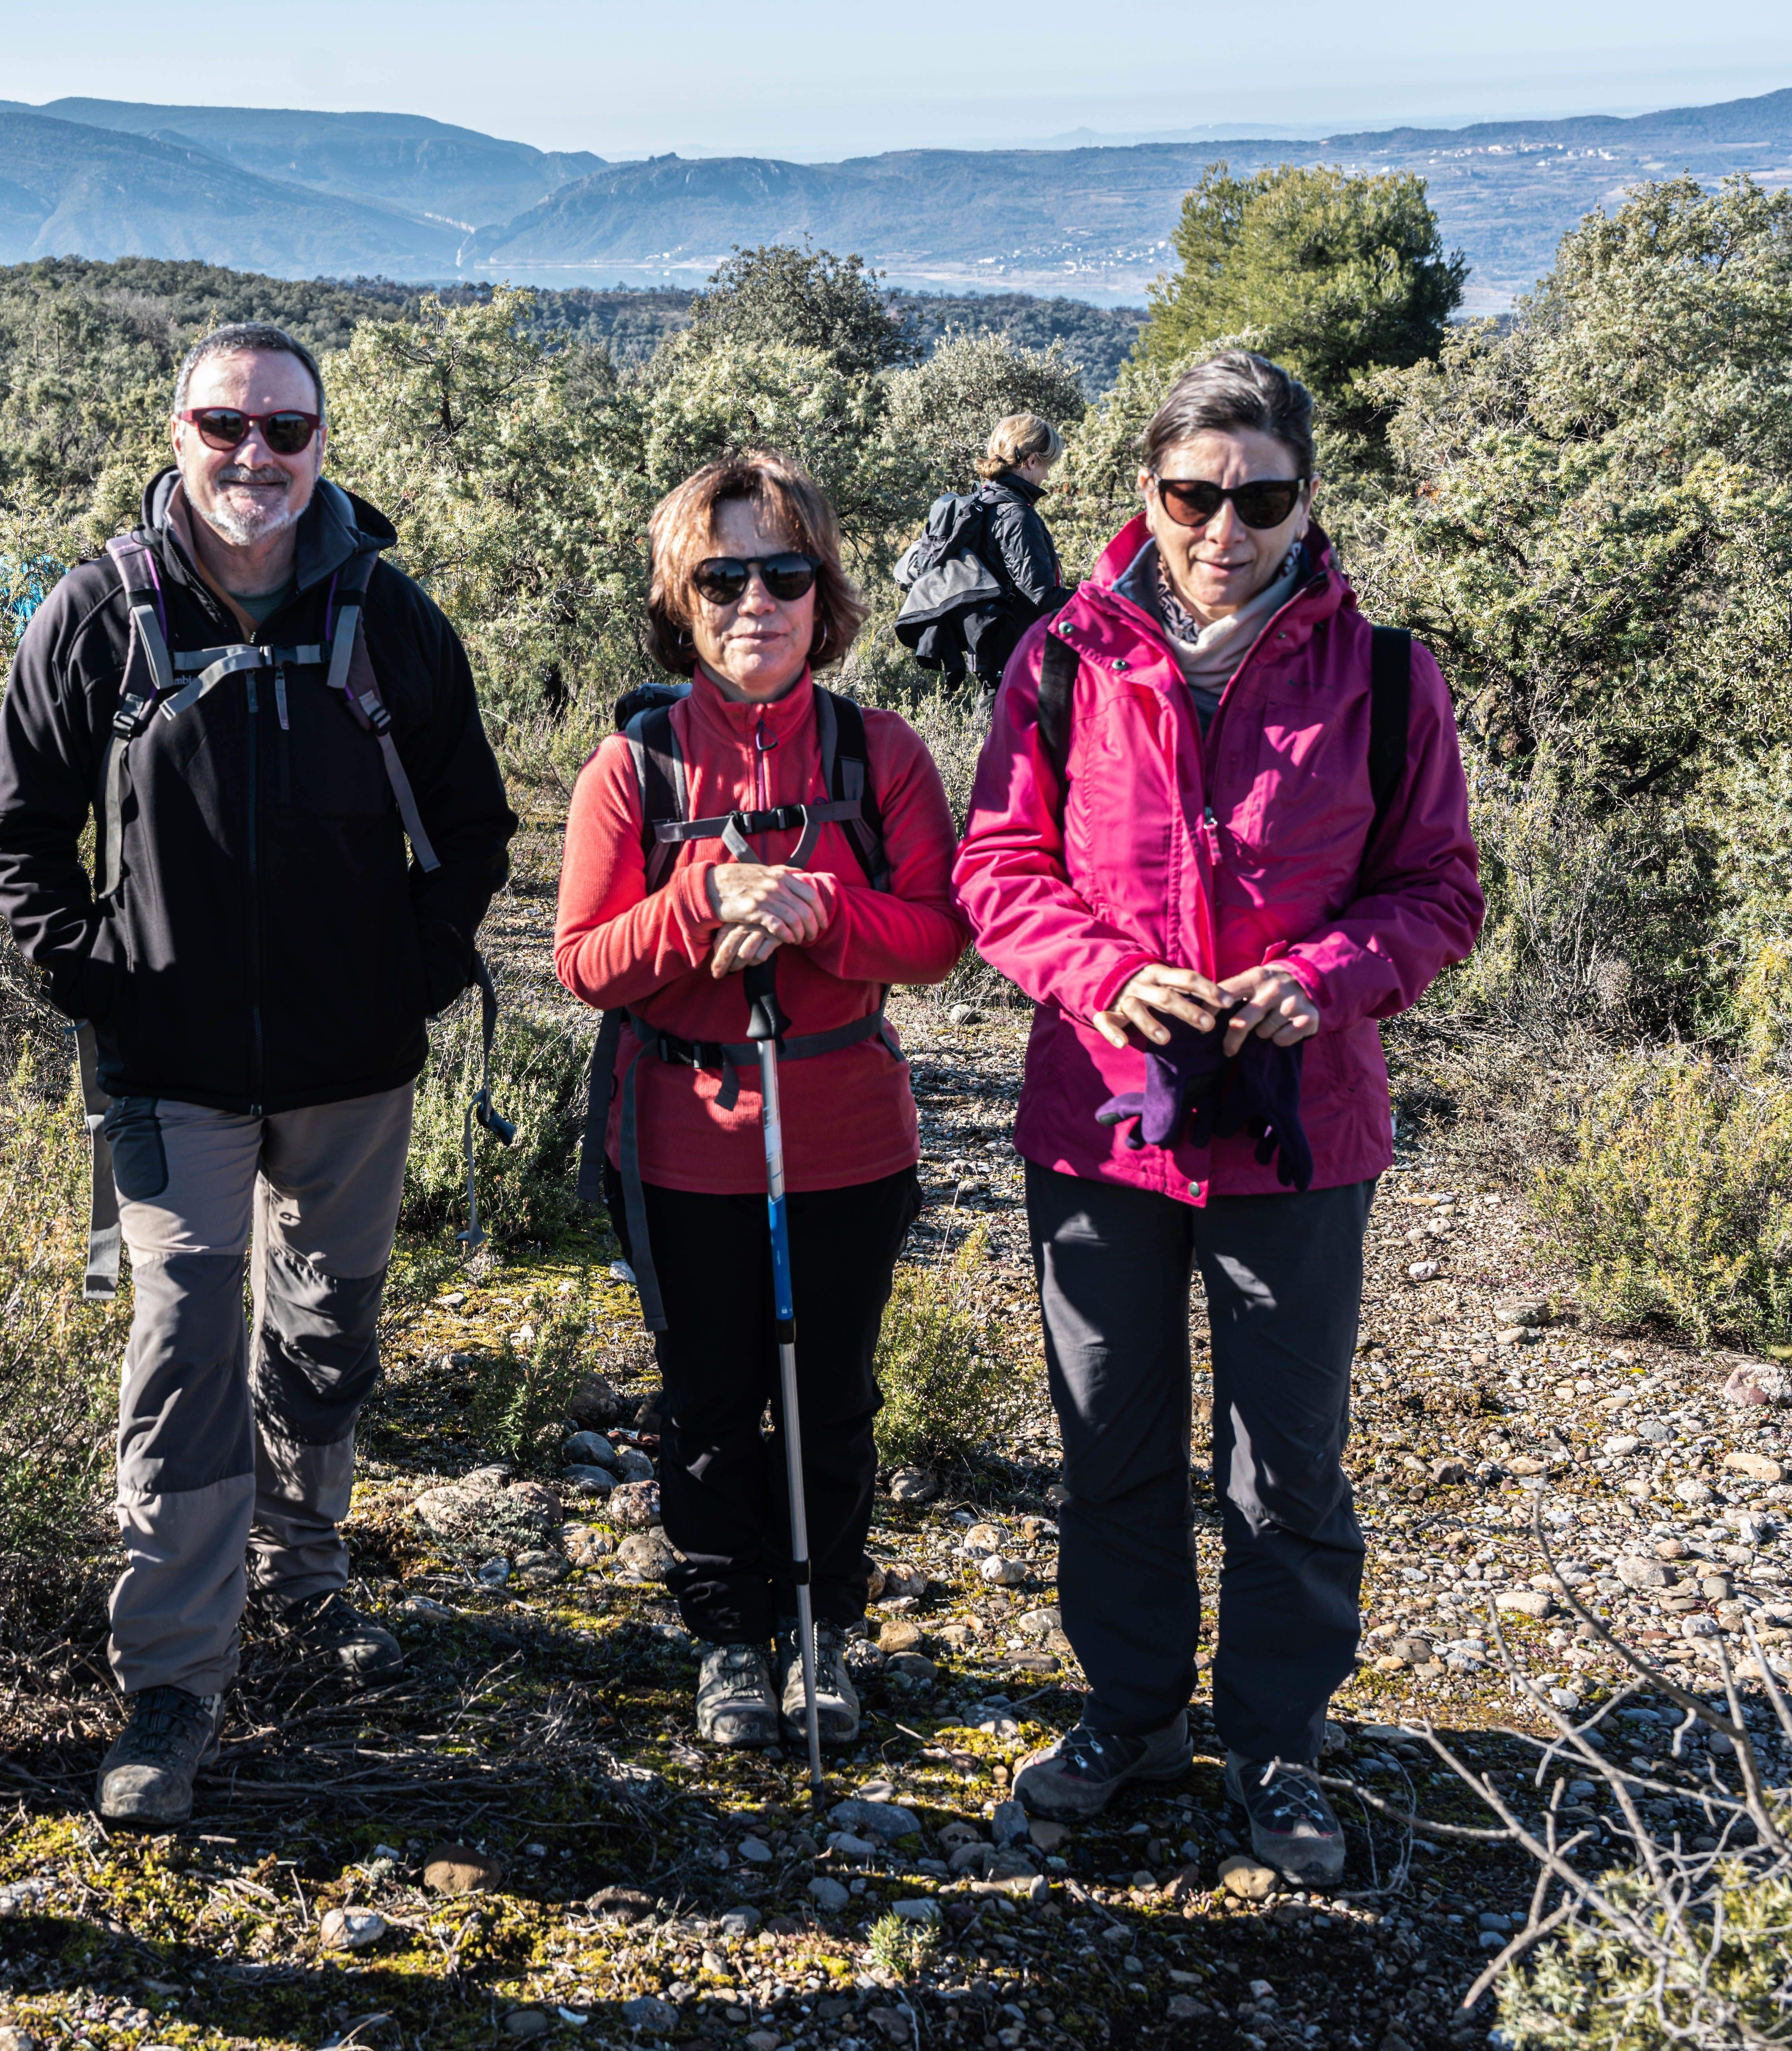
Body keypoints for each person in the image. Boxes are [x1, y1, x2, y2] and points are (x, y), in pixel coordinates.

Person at [0, 322, 515, 1828]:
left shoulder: (387, 618)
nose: (253, 458)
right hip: (173, 1071)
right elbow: (8, 840)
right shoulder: (96, 615)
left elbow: (470, 827)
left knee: (327, 1327)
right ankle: (171, 1676)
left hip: (354, 1063)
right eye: (224, 426)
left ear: (322, 442)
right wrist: (99, 977)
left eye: (284, 430)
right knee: (186, 1331)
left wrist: (405, 971)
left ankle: (303, 1567)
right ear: (176, 430)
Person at [952, 351, 1482, 1887]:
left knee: (1284, 1462)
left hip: (1297, 1132)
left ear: (1304, 498)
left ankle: (1274, 1745)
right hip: (1099, 1127)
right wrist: (1104, 980)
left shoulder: (1383, 677)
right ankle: (1129, 1714)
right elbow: (999, 870)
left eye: (1258, 497)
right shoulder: (1061, 658)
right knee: (1107, 1440)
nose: (1222, 528)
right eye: (1192, 495)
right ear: (1146, 493)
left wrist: (1319, 982)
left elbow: (1436, 893)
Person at [553, 452, 967, 1752]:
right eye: (721, 575)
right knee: (709, 1398)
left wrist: (819, 911)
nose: (755, 601)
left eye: (784, 573)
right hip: (680, 1146)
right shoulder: (635, 769)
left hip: (848, 1138)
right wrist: (699, 907)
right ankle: (731, 1637)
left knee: (835, 1393)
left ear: (823, 593)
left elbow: (940, 933)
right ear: (682, 596)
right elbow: (581, 960)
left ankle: (825, 1628)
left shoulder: (879, 752)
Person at [892, 413, 1064, 690]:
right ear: (1032, 461)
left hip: (994, 662)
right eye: (1047, 467)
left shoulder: (984, 503)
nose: (1046, 476)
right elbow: (1042, 597)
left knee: (990, 731)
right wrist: (1098, 600)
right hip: (1021, 666)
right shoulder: (1017, 515)